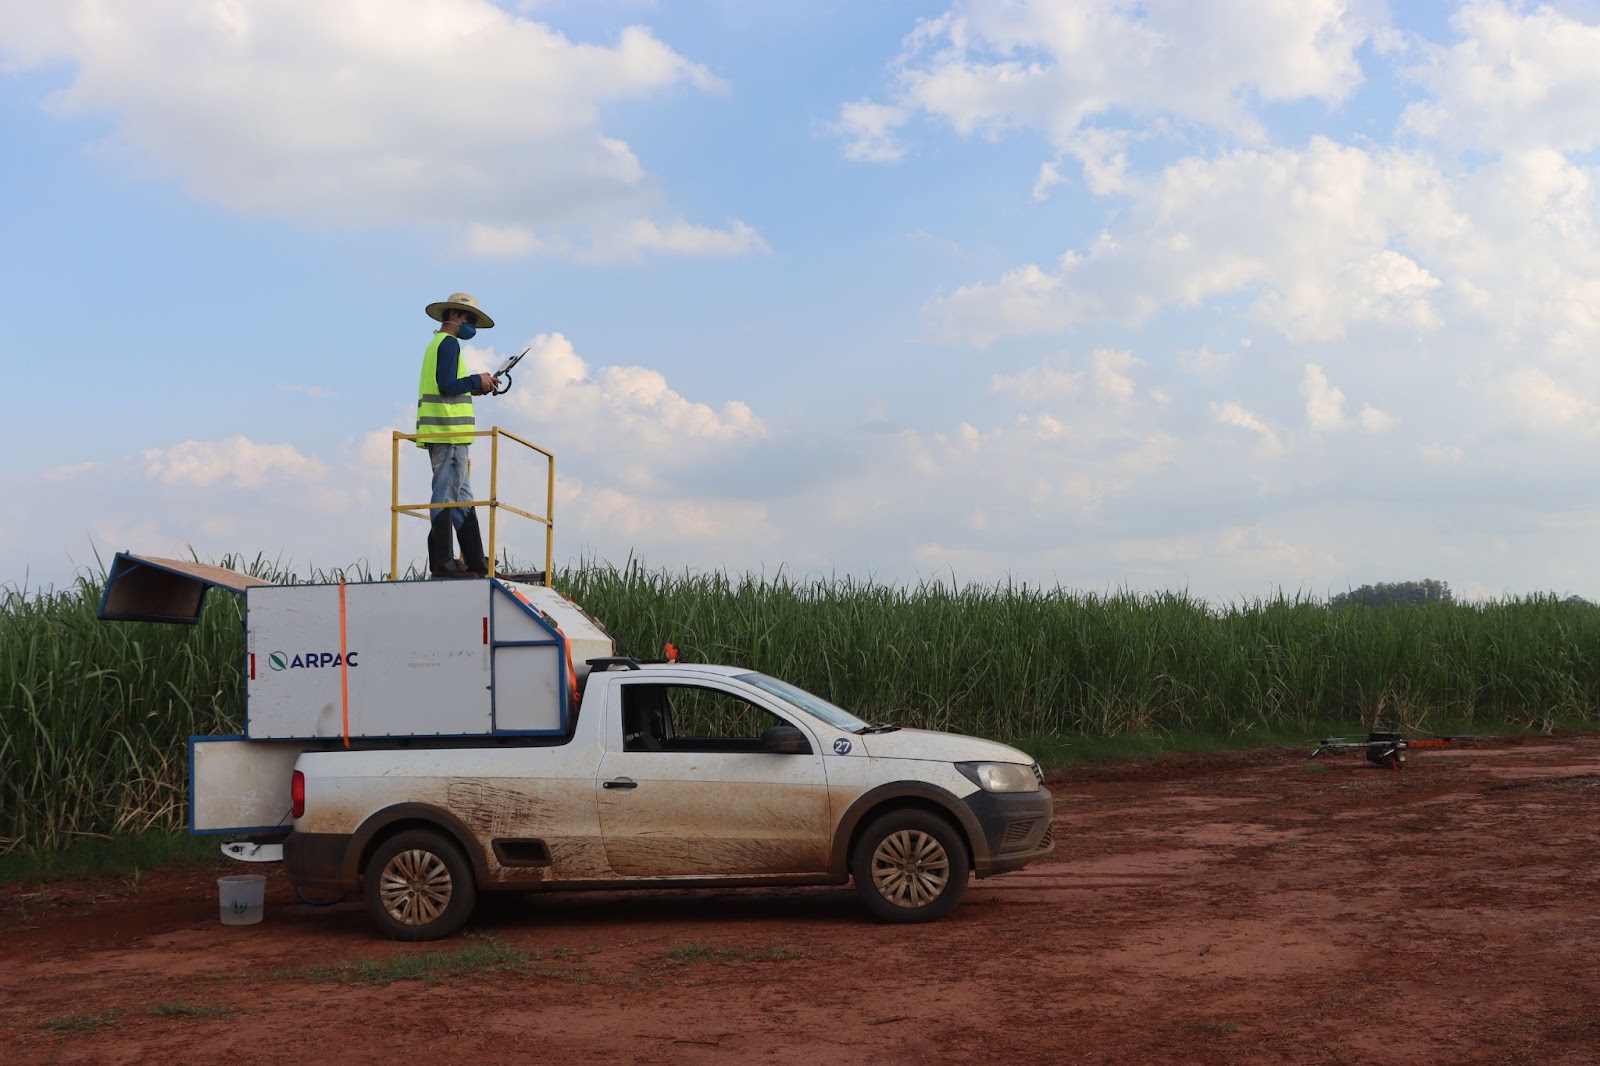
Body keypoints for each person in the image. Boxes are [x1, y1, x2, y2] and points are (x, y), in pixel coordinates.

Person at [416, 291, 501, 578]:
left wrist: (477, 385)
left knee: (462, 498)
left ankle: (477, 562)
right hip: (448, 433)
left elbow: (451, 385)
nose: (471, 325)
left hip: (450, 435)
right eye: (468, 318)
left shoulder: (437, 344)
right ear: (453, 316)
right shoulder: (449, 344)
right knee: (445, 496)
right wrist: (476, 379)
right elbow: (447, 384)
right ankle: (443, 563)